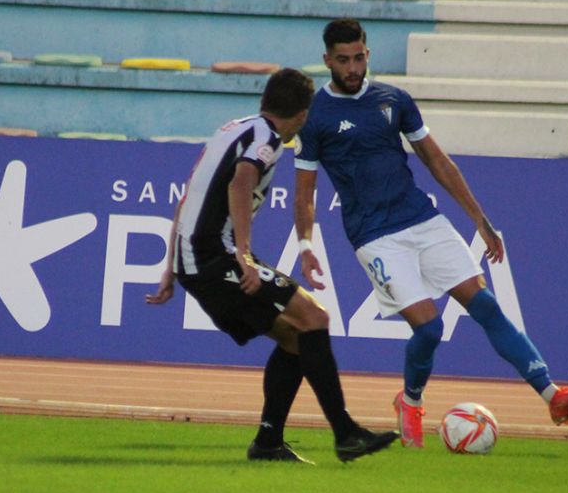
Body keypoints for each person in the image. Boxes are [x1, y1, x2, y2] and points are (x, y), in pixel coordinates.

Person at [293, 19, 568, 448]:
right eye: (343, 60)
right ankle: (411, 401)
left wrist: (480, 219)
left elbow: (438, 162)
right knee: (430, 330)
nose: (353, 67)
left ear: (367, 54)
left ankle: (552, 395)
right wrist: (306, 244)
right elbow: (305, 192)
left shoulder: (393, 100)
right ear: (327, 60)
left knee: (486, 306)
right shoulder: (315, 116)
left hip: (421, 219)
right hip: (374, 235)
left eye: (359, 57)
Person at [146, 68, 398, 464]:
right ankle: (346, 433)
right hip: (215, 255)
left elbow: (189, 193)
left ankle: (268, 442)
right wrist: (244, 255)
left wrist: (169, 266)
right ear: (302, 113)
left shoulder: (234, 127)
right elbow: (241, 182)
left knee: (297, 338)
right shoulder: (267, 140)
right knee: (314, 317)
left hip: (195, 256)